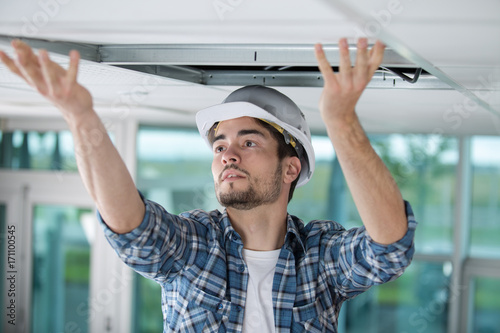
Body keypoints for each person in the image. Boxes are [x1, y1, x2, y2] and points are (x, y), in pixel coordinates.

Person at [0, 38, 416, 333]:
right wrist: (80, 117)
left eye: (248, 142)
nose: (227, 155)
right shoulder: (195, 244)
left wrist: (342, 122)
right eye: (220, 146)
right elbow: (130, 226)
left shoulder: (319, 256)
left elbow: (389, 248)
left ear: (290, 169)